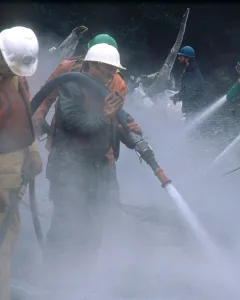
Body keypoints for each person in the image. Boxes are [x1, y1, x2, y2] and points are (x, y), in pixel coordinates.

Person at [44, 43, 139, 287]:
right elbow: (75, 124)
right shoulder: (72, 85)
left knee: (94, 223)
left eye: (114, 69)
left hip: (96, 169)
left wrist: (129, 129)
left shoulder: (106, 89)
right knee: (66, 223)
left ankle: (82, 279)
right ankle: (52, 280)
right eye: (108, 68)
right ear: (93, 65)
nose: (112, 74)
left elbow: (112, 125)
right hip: (69, 168)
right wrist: (106, 116)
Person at [32, 33, 132, 151]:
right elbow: (47, 93)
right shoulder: (68, 68)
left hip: (99, 147)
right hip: (62, 138)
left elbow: (116, 117)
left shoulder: (118, 84)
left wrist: (129, 133)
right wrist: (38, 116)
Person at [0, 26, 42, 300]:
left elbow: (24, 117)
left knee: (6, 246)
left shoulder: (16, 79)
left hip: (13, 178)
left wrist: (33, 151)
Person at [171, 46, 206, 121]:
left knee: (191, 131)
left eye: (181, 56)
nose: (179, 58)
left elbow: (189, 92)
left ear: (187, 58)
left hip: (195, 110)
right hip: (191, 109)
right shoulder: (189, 70)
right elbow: (185, 88)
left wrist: (177, 97)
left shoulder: (194, 74)